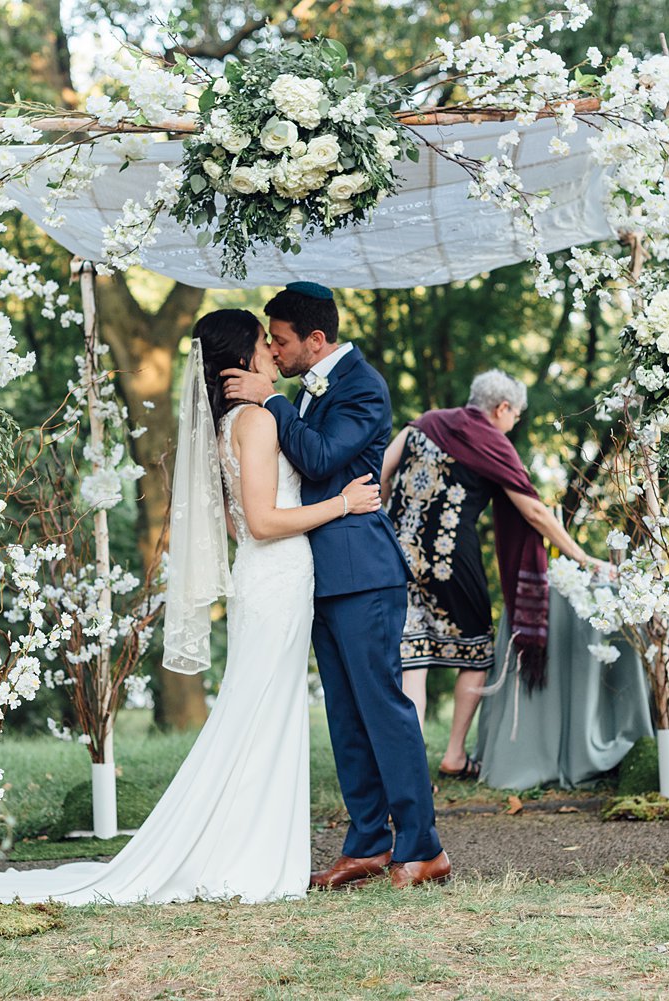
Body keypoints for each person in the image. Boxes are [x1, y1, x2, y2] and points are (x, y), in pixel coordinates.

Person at [0, 308, 381, 907]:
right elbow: (264, 523)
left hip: (270, 581)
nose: (273, 350)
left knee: (262, 713)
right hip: (277, 578)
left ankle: (251, 844)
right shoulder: (257, 422)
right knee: (264, 715)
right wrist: (342, 505)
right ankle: (252, 855)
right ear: (243, 357)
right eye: (263, 343)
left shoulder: (231, 423)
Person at [225, 281, 449, 889]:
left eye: (281, 341)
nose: (274, 351)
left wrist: (271, 402)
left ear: (316, 340)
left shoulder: (362, 387)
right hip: (316, 576)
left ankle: (424, 847)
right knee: (346, 718)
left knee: (383, 707)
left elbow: (321, 458)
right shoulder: (309, 392)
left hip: (362, 575)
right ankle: (370, 843)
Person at [381, 370, 607, 780]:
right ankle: (453, 755)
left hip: (396, 555)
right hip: (451, 563)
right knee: (477, 652)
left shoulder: (425, 423)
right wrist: (582, 557)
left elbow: (382, 472)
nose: (514, 422)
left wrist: (384, 528)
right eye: (516, 415)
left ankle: (408, 771)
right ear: (501, 408)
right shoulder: (491, 442)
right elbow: (535, 511)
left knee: (411, 655)